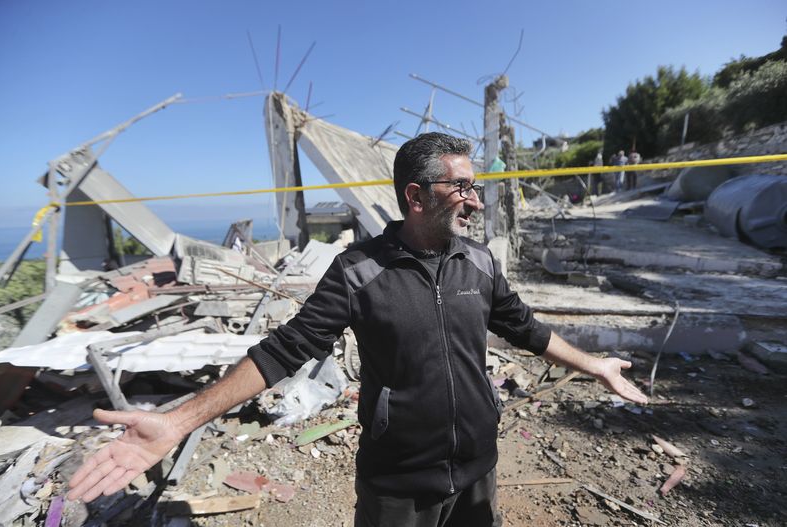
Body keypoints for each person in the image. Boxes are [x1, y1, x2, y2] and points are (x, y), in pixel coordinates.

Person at [67, 133, 648, 526]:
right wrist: (175, 420)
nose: (474, 201)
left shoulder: (479, 263)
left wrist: (595, 366)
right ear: (416, 197)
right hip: (396, 484)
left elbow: (525, 330)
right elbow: (282, 351)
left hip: (478, 468)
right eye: (462, 188)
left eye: (475, 186)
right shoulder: (359, 271)